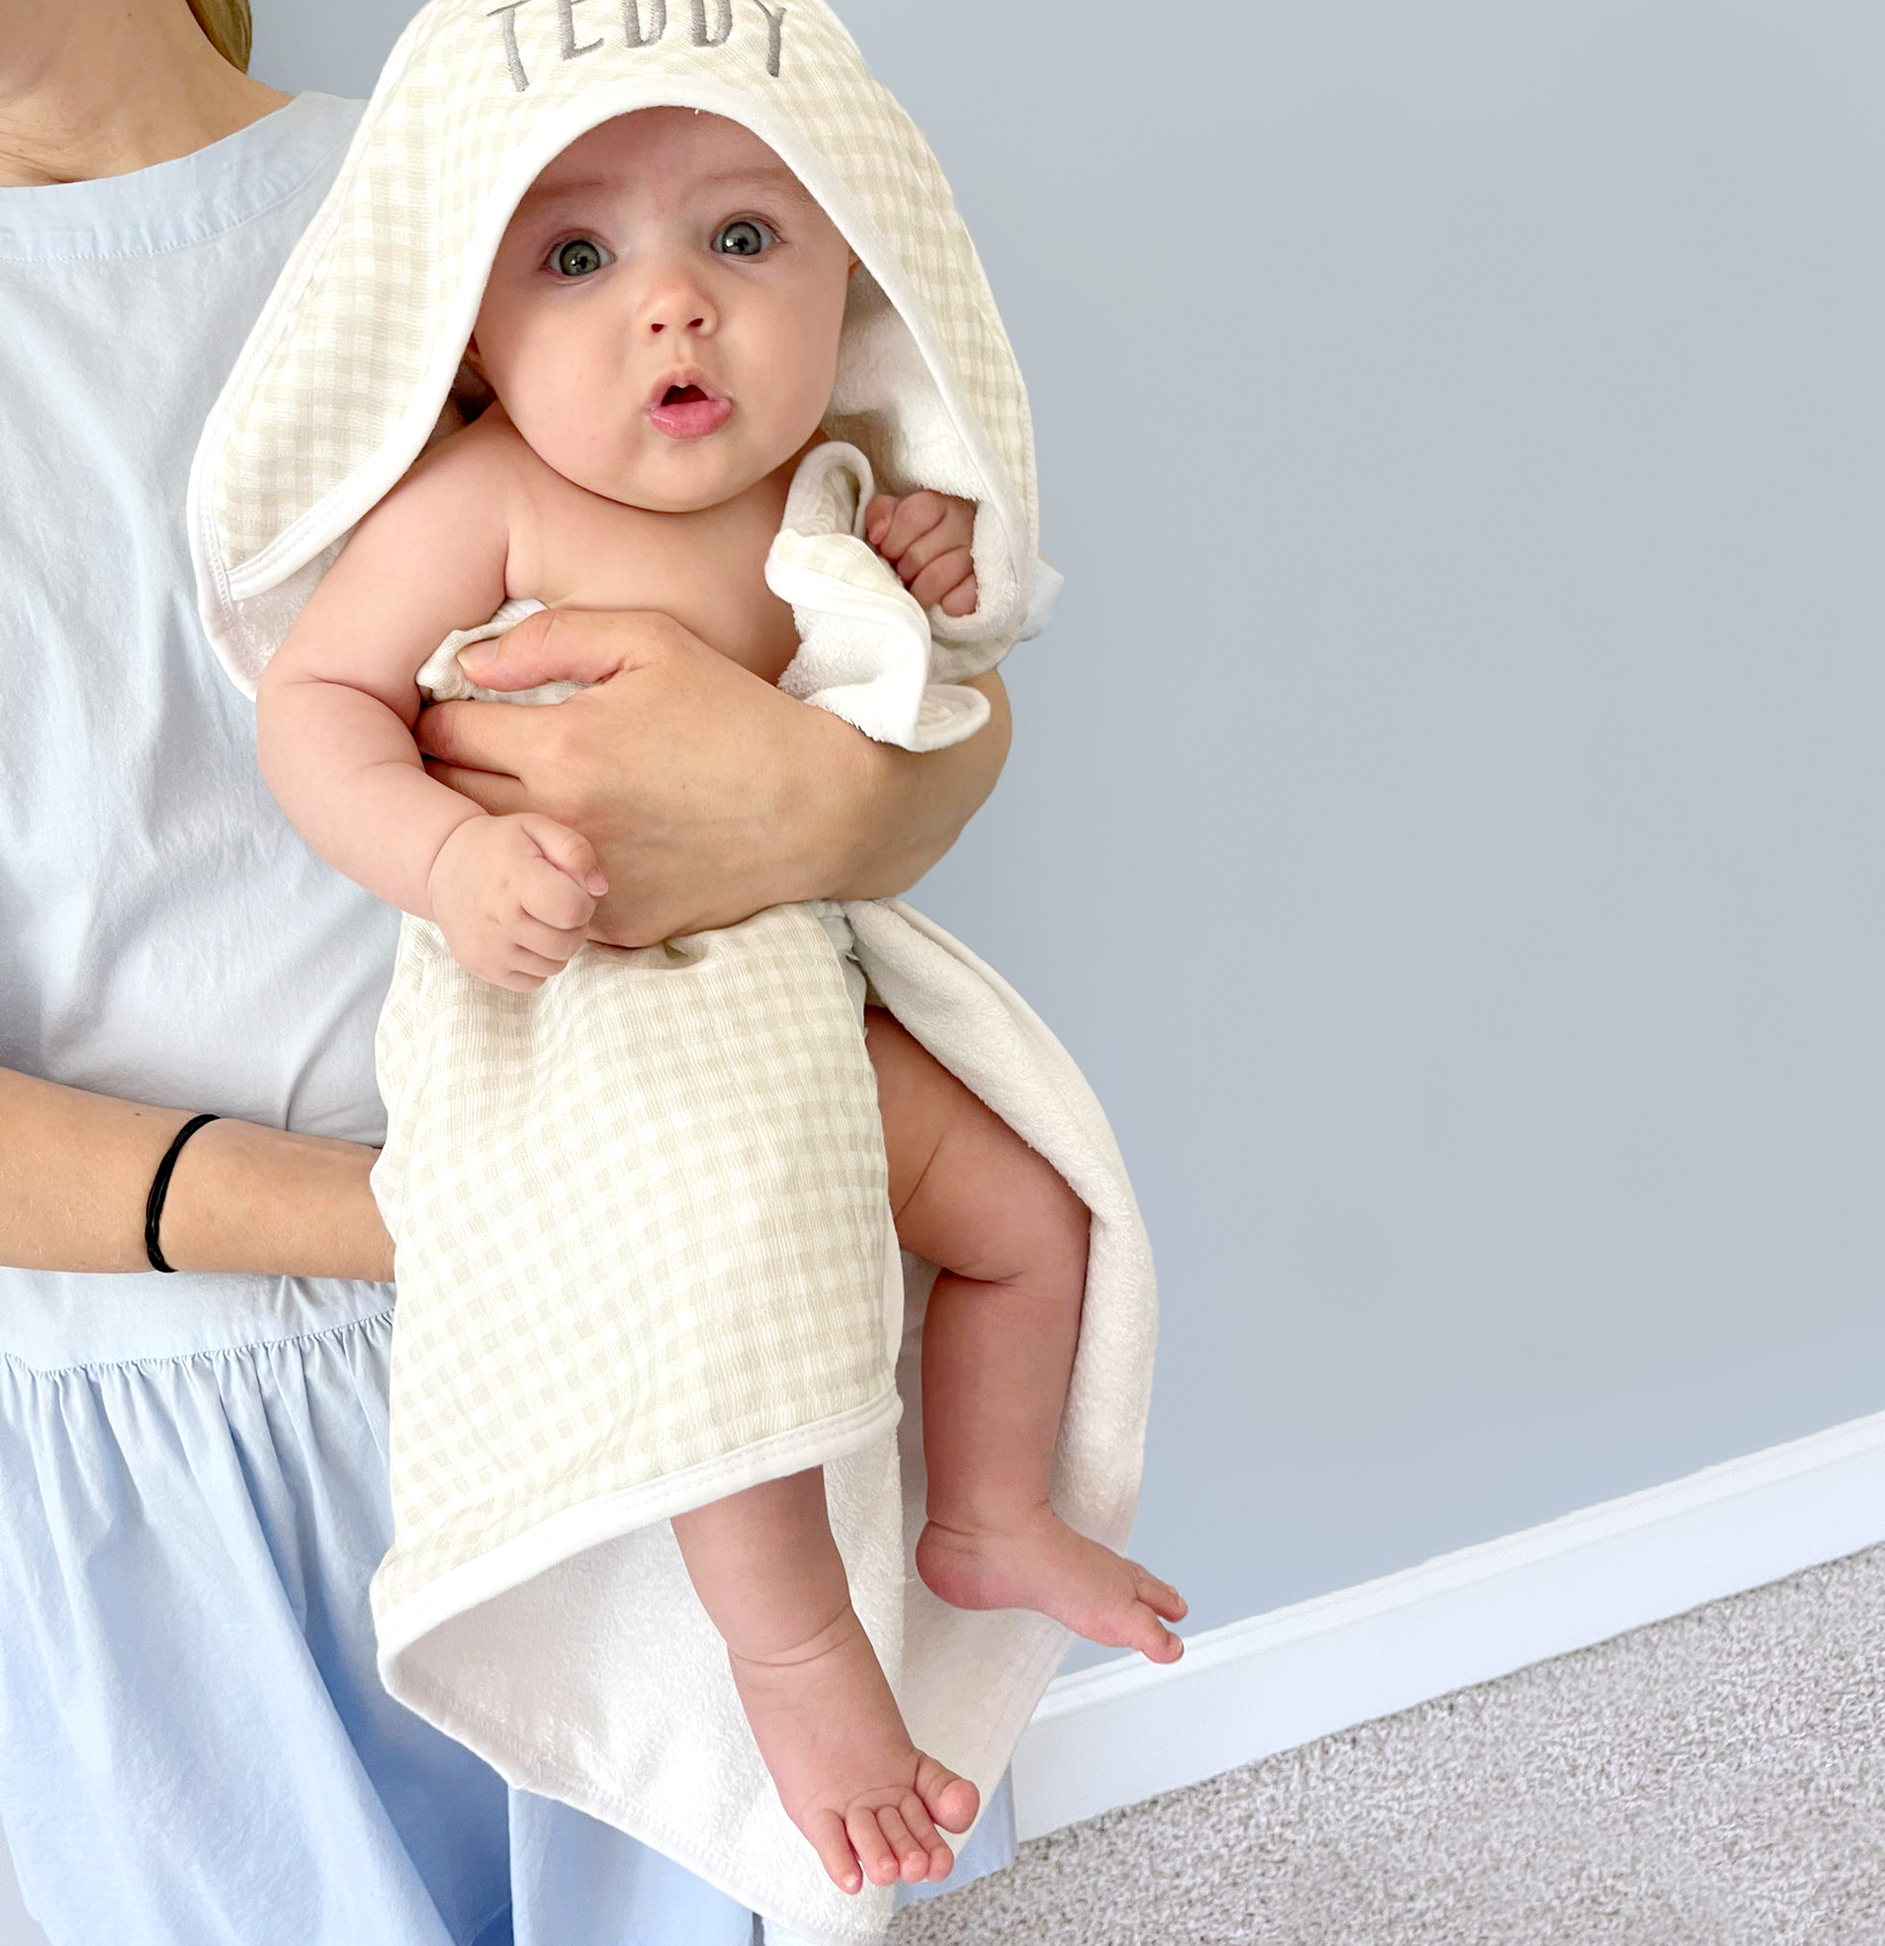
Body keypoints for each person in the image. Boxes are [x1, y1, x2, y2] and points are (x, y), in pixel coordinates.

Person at [0, 2, 1023, 1940]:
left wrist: (836, 803)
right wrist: (446, 1218)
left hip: (646, 1301)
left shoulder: (509, 186)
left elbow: (897, 678)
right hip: (150, 1421)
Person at [256, 94, 1189, 1900]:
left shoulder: (822, 484)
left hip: (790, 972)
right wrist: (446, 863)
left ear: (851, 275)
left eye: (742, 242)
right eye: (579, 256)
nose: (671, 308)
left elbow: (904, 693)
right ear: (469, 324)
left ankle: (990, 1511)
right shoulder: (486, 500)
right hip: (599, 1011)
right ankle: (793, 1659)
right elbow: (318, 707)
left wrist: (918, 593)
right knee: (725, 1328)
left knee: (1027, 1220)